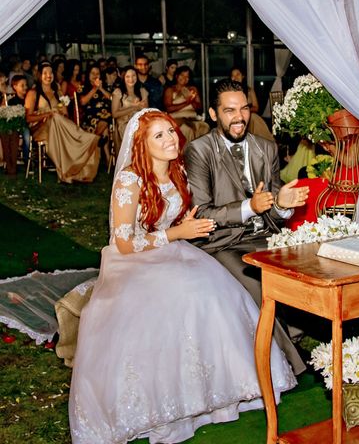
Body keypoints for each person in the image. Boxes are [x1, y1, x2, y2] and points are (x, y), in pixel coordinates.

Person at [68, 108, 296, 443]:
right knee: (184, 294)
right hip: (132, 261)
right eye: (158, 135)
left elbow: (171, 223)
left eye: (171, 131)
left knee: (218, 290)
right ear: (142, 144)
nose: (170, 139)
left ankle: (222, 391)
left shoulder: (177, 172)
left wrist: (183, 228)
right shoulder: (130, 180)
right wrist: (177, 234)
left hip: (170, 250)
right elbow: (124, 242)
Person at [184, 79, 310, 375]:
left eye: (243, 109)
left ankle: (299, 333)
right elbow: (202, 211)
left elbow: (276, 212)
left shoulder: (266, 148)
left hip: (267, 237)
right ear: (214, 115)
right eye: (229, 111)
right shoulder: (200, 151)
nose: (239, 117)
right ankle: (296, 363)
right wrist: (248, 208)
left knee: (302, 271)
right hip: (223, 242)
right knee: (258, 285)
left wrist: (282, 204)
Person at [24, 61, 100, 183]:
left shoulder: (57, 92)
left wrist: (59, 112)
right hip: (40, 128)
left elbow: (65, 114)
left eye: (50, 73)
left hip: (57, 127)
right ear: (39, 75)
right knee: (55, 118)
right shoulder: (33, 93)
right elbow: (28, 118)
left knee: (58, 118)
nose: (48, 76)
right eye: (45, 73)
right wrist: (47, 114)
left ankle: (76, 157)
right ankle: (82, 137)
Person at [163, 65, 208, 142]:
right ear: (177, 76)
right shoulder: (170, 90)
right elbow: (169, 108)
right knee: (187, 130)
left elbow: (199, 106)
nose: (184, 78)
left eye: (187, 76)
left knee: (205, 127)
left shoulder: (192, 89)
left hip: (192, 118)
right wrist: (187, 103)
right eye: (182, 75)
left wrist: (192, 102)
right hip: (177, 119)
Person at [111, 65, 149, 156]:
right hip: (124, 123)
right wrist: (134, 107)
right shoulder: (118, 92)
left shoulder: (142, 91)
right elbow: (115, 114)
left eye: (133, 76)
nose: (131, 79)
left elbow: (146, 111)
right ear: (123, 77)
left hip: (140, 122)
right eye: (128, 76)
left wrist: (141, 108)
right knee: (134, 132)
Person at [3, 75, 30, 174]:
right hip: (19, 125)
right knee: (26, 136)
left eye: (26, 85)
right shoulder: (12, 101)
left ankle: (28, 160)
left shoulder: (29, 97)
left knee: (28, 135)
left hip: (30, 123)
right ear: (15, 87)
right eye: (22, 85)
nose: (25, 87)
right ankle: (26, 160)